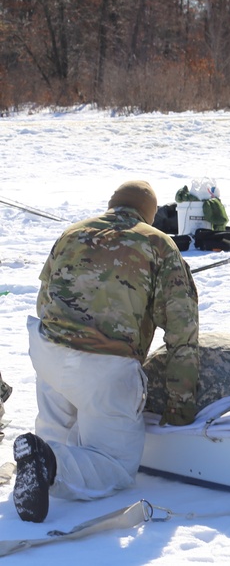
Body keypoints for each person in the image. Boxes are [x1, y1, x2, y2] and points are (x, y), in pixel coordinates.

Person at [13, 180, 200, 523]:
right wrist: (180, 404)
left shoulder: (71, 232)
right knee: (114, 464)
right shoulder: (159, 243)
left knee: (56, 432)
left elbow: (45, 300)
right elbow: (182, 330)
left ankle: (42, 462)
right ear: (151, 213)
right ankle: (48, 462)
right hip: (104, 368)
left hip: (48, 352)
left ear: (112, 203)